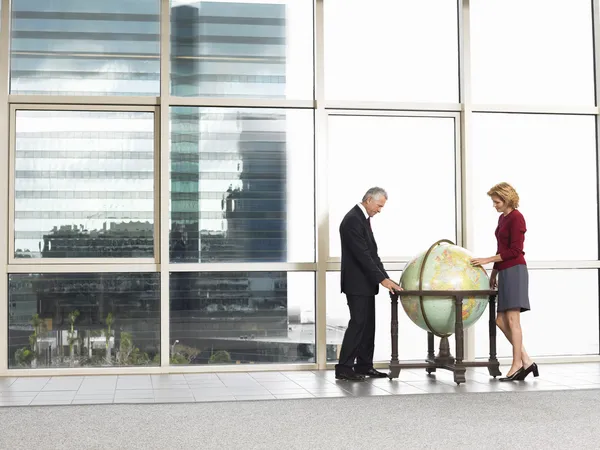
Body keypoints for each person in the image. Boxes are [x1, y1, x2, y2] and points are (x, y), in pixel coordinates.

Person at [471, 182, 538, 382]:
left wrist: (488, 259)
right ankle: (526, 360)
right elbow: (501, 248)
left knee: (512, 320)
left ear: (507, 199)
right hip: (505, 271)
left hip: (516, 270)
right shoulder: (502, 219)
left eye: (497, 201)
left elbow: (515, 251)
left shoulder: (517, 218)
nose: (494, 205)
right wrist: (493, 274)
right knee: (500, 320)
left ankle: (517, 364)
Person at [335, 187, 402, 381]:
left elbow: (373, 254)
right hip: (356, 283)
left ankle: (364, 366)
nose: (380, 210)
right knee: (357, 324)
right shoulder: (352, 220)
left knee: (368, 326)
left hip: (365, 283)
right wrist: (382, 279)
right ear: (368, 200)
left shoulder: (362, 219)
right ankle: (344, 368)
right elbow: (362, 256)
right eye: (379, 205)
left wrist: (387, 278)